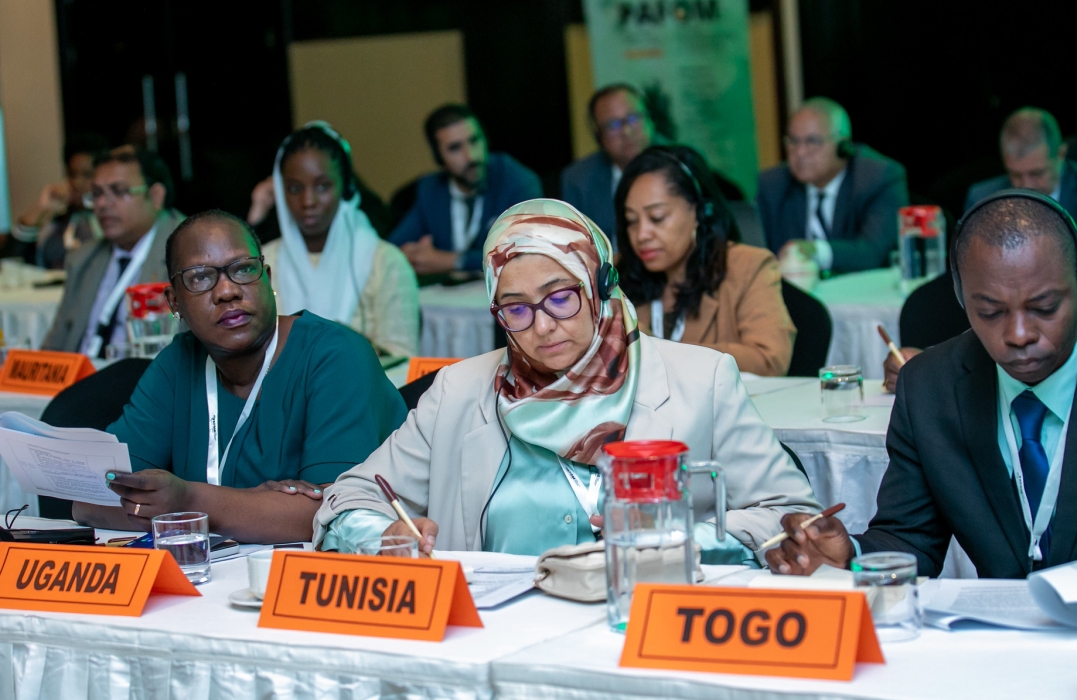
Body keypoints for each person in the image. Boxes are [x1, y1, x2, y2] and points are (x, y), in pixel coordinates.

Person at [314, 199, 820, 562]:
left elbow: (792, 513)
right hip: (499, 643)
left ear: (600, 287)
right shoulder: (459, 392)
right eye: (516, 308)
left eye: (561, 297)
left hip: (644, 625)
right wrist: (380, 536)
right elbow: (347, 499)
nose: (542, 325)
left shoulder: (700, 379)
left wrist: (685, 538)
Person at [768, 191, 1077, 579]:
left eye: (1044, 307)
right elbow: (909, 540)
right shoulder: (930, 388)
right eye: (991, 312)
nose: (1018, 334)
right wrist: (850, 556)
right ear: (961, 297)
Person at [73, 210, 406, 543]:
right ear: (175, 302)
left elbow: (331, 517)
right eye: (200, 277)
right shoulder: (176, 363)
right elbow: (90, 499)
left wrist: (188, 502)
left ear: (267, 278)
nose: (227, 291)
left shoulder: (336, 356)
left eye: (243, 269)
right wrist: (252, 508)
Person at [615, 145, 794, 376]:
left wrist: (664, 354)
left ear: (698, 213)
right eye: (631, 221)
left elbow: (769, 361)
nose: (641, 235)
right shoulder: (617, 274)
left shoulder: (748, 266)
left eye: (657, 218)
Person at [260, 122, 419, 360]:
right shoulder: (262, 263)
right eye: (294, 188)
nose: (308, 201)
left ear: (346, 187)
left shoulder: (385, 262)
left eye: (323, 186)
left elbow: (402, 359)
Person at [42, 147, 184, 357]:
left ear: (155, 196)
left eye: (118, 191)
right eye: (97, 194)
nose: (102, 204)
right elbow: (54, 349)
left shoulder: (187, 254)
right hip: (81, 380)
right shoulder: (83, 259)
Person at [757, 97, 909, 273]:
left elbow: (873, 252)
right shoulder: (773, 184)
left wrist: (816, 251)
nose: (799, 152)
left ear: (843, 146)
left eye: (812, 141)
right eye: (793, 141)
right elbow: (759, 252)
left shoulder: (877, 178)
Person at [387, 104, 543, 274]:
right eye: (455, 148)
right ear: (438, 157)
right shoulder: (431, 189)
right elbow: (392, 248)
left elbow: (524, 251)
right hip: (448, 297)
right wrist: (408, 255)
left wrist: (453, 261)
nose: (471, 156)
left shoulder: (517, 181)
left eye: (474, 140)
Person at [966, 108, 1077, 228]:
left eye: (1037, 173)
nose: (1027, 185)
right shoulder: (982, 200)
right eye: (1016, 175)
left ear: (1061, 155)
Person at [561, 84, 657, 241]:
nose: (627, 132)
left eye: (633, 118)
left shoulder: (684, 164)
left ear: (651, 119)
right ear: (599, 137)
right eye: (613, 125)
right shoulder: (578, 179)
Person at [10, 134, 106, 269]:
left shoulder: (107, 219)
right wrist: (40, 207)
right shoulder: (57, 223)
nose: (77, 183)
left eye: (87, 175)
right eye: (72, 174)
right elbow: (13, 261)